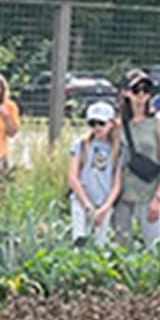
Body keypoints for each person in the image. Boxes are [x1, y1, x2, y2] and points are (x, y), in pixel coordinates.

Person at [112, 70, 160, 248]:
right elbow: (114, 161)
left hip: (149, 194)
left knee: (155, 246)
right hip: (124, 195)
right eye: (136, 90)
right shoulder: (119, 125)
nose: (141, 95)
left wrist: (158, 197)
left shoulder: (158, 124)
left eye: (146, 90)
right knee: (122, 247)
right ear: (126, 92)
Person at [68, 101, 123, 248]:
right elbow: (73, 177)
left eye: (101, 123)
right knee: (79, 239)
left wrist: (105, 208)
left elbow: (117, 183)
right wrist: (87, 205)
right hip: (82, 200)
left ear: (111, 123)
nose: (97, 128)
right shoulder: (82, 145)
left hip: (104, 201)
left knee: (100, 244)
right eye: (92, 123)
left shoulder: (118, 149)